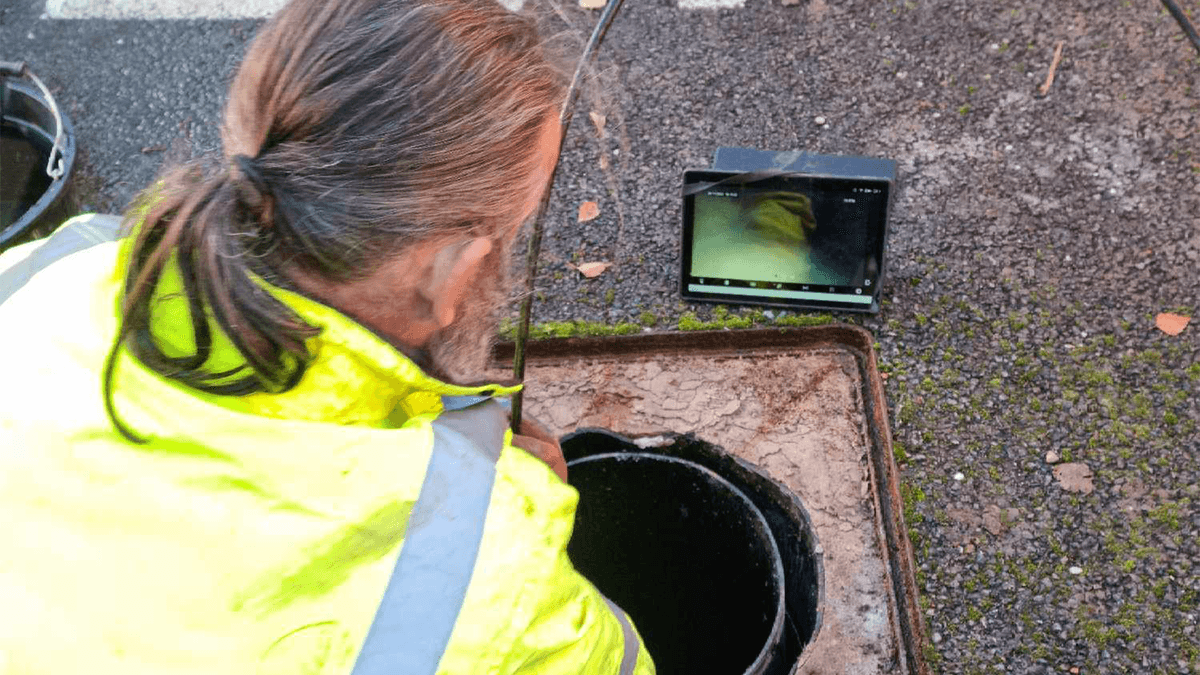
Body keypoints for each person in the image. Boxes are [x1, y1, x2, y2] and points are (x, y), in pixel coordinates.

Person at [0, 0, 653, 673]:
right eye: (508, 231)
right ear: (448, 270)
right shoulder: (493, 578)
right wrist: (503, 519)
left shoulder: (50, 266)